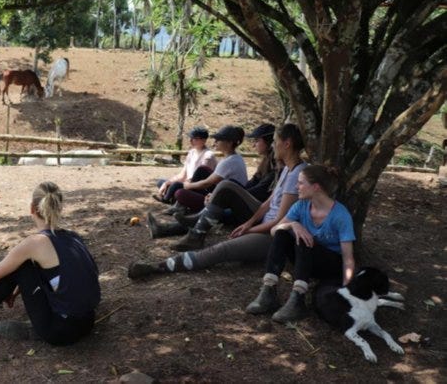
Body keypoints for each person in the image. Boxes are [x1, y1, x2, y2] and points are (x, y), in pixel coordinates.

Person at [130, 123, 306, 275]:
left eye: (276, 142)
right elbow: (269, 202)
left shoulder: (297, 174)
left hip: (273, 235)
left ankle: (158, 267)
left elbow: (279, 222)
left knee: (221, 249)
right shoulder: (286, 170)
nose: (274, 146)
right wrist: (248, 223)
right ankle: (195, 232)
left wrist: (250, 230)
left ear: (287, 144)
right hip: (262, 223)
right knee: (224, 188)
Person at [0, 182, 101, 345]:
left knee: (20, 265)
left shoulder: (34, 243)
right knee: (31, 265)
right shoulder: (74, 237)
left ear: (32, 209)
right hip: (88, 322)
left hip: (60, 332)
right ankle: (40, 322)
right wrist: (18, 288)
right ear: (60, 208)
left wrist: (6, 291)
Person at [245, 164, 356, 323]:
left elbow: (348, 258)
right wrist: (292, 225)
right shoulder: (300, 206)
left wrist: (347, 289)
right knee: (284, 232)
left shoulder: (340, 215)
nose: (297, 186)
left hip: (329, 265)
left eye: (301, 183)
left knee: (304, 237)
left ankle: (298, 300)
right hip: (306, 260)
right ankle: (268, 291)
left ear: (316, 187)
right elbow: (274, 230)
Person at [171, 125, 248, 213]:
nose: (214, 143)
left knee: (180, 193)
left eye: (218, 140)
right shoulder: (234, 157)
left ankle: (182, 205)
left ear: (229, 143)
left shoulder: (229, 161)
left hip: (226, 203)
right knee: (202, 170)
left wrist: (187, 186)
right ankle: (181, 204)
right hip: (223, 194)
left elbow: (207, 183)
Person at [153, 126, 217, 205]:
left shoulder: (208, 156)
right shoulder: (191, 153)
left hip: (198, 187)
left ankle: (166, 199)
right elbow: (182, 175)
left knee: (175, 185)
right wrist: (166, 183)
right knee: (161, 182)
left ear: (203, 140)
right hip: (187, 183)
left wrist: (184, 183)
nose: (191, 141)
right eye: (191, 138)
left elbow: (202, 179)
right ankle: (175, 198)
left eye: (194, 139)